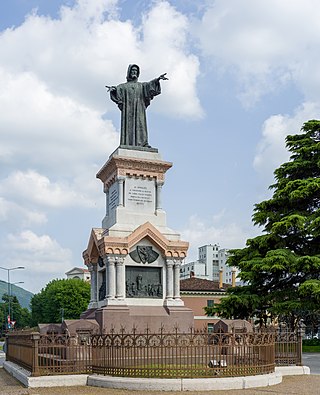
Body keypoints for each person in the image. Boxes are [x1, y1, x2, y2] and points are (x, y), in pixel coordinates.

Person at [107, 64, 168, 148]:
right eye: (132, 70)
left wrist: (157, 79)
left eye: (136, 70)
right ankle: (128, 143)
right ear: (129, 72)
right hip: (128, 110)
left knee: (141, 124)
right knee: (128, 126)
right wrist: (113, 90)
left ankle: (143, 143)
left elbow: (150, 85)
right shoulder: (123, 87)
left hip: (139, 109)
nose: (134, 72)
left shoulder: (141, 86)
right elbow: (117, 92)